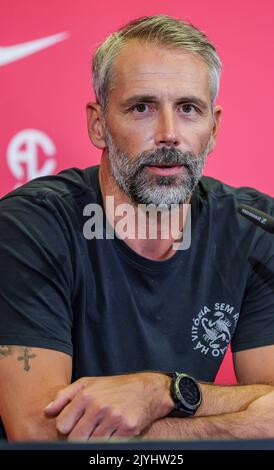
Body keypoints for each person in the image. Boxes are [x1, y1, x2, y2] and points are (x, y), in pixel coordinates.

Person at [0, 14, 274, 442]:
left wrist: (164, 391)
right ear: (98, 124)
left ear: (214, 128)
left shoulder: (255, 230)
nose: (169, 134)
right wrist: (232, 418)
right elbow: (38, 432)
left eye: (188, 109)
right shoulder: (29, 227)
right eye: (141, 107)